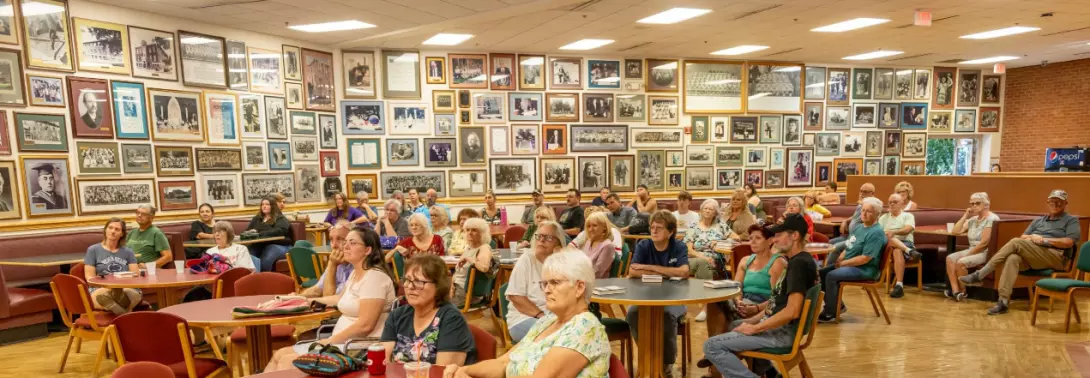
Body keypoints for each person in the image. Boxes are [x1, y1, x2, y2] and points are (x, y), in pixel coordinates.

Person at [447, 250, 610, 378]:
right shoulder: (547, 321)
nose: (546, 290)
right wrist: (463, 371)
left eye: (555, 282)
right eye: (545, 283)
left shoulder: (585, 327)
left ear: (579, 288)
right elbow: (503, 364)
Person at [702, 214, 818, 378]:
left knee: (712, 346)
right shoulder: (801, 261)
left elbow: (792, 311)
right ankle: (764, 370)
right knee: (733, 325)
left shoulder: (797, 265)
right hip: (780, 329)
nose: (775, 240)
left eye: (779, 235)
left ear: (795, 236)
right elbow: (777, 304)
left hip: (781, 334)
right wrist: (751, 322)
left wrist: (754, 328)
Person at [267, 227, 397, 371]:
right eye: (345, 242)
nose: (345, 247)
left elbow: (365, 325)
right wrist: (306, 300)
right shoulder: (356, 273)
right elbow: (340, 299)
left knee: (287, 361)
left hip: (360, 348)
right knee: (278, 355)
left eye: (352, 243)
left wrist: (328, 341)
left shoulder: (374, 278)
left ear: (367, 250)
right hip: (343, 344)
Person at [960, 190, 1081, 315]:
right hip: (1036, 255)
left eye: (1059, 202)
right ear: (1047, 202)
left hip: (1057, 257)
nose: (1055, 204)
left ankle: (981, 274)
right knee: (1013, 258)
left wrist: (1044, 240)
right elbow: (1024, 237)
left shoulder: (1071, 220)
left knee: (1015, 242)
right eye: (1052, 201)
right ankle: (1003, 301)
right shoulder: (1039, 221)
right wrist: (1033, 238)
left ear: (1066, 203)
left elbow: (1068, 242)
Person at [702, 225, 787, 353]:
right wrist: (738, 300)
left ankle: (714, 353)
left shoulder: (777, 262)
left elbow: (777, 298)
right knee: (714, 301)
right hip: (744, 302)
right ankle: (716, 349)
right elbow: (736, 288)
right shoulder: (746, 260)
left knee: (724, 319)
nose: (752, 241)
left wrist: (757, 308)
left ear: (769, 241)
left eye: (758, 238)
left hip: (762, 305)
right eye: (751, 238)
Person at [381, 255, 476, 365]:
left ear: (439, 286)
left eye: (418, 281)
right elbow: (384, 362)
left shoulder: (451, 319)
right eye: (407, 280)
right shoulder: (397, 315)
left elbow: (444, 372)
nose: (409, 286)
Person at [626, 211, 688, 377]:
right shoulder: (643, 245)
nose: (654, 231)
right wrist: (668, 272)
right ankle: (649, 356)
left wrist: (651, 268)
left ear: (671, 231)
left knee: (666, 314)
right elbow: (633, 271)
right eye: (652, 227)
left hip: (675, 298)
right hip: (646, 297)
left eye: (659, 228)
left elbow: (683, 272)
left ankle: (666, 364)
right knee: (632, 313)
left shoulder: (679, 246)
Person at [818, 197, 886, 322]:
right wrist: (842, 256)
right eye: (863, 210)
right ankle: (838, 305)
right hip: (849, 265)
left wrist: (843, 263)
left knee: (831, 276)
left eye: (868, 211)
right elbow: (849, 244)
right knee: (821, 274)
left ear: (877, 214)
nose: (864, 214)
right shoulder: (859, 227)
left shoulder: (876, 233)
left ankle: (830, 313)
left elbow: (865, 258)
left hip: (864, 269)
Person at [506, 221, 567, 342]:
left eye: (548, 237)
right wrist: (541, 316)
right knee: (557, 337)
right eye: (539, 236)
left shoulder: (562, 263)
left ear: (558, 243)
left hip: (554, 317)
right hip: (523, 318)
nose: (542, 240)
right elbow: (515, 296)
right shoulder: (526, 259)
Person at [945, 192, 999, 302]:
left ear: (986, 205)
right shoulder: (973, 220)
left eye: (977, 203)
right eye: (972, 204)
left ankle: (963, 291)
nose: (974, 206)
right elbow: (955, 232)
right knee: (950, 258)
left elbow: (984, 243)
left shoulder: (992, 219)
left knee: (960, 262)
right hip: (972, 249)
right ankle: (955, 291)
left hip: (985, 252)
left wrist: (968, 254)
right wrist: (965, 215)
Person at [84, 218, 142, 315]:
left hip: (126, 287)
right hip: (101, 288)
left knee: (130, 294)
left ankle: (114, 308)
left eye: (117, 229)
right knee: (101, 296)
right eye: (110, 228)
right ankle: (124, 315)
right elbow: (89, 277)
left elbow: (135, 274)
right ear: (105, 230)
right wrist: (110, 288)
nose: (113, 231)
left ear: (122, 234)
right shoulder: (93, 250)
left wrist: (119, 287)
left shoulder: (128, 252)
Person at [686, 199, 731, 322]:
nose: (707, 211)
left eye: (711, 209)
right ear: (701, 210)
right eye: (705, 208)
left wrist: (720, 242)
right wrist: (704, 257)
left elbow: (736, 239)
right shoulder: (693, 227)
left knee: (706, 265)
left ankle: (705, 308)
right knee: (704, 263)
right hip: (695, 258)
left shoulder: (721, 226)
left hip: (715, 260)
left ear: (715, 213)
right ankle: (705, 306)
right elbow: (689, 249)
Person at [301, 222, 353, 297]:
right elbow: (317, 290)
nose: (334, 245)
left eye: (340, 239)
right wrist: (296, 297)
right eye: (331, 240)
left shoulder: (357, 266)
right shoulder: (336, 262)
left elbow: (329, 298)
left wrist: (332, 265)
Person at [881, 194, 918, 299]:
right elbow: (878, 233)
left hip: (905, 242)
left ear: (902, 203)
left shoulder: (908, 216)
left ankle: (899, 285)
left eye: (895, 202)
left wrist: (893, 232)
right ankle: (909, 251)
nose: (892, 204)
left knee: (897, 250)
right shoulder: (884, 217)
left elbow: (907, 229)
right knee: (890, 240)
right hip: (888, 245)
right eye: (890, 202)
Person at [451, 218, 493, 307]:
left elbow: (484, 268)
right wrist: (451, 285)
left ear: (482, 233)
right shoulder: (468, 248)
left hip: (468, 294)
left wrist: (468, 258)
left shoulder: (484, 248)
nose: (469, 233)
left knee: (430, 300)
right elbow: (458, 273)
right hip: (456, 289)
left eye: (474, 230)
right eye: (467, 230)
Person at [245, 197, 294, 272]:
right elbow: (248, 231)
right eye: (262, 204)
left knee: (270, 251)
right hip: (262, 244)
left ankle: (264, 278)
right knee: (250, 250)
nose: (264, 206)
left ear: (273, 206)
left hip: (282, 245)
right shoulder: (257, 219)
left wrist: (258, 232)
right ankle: (253, 278)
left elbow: (279, 231)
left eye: (267, 204)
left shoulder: (280, 218)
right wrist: (250, 232)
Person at [575, 212, 616, 278]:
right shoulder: (589, 241)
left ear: (604, 227)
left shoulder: (608, 246)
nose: (591, 229)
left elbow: (598, 272)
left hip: (597, 283)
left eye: (594, 225)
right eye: (588, 226)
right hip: (582, 278)